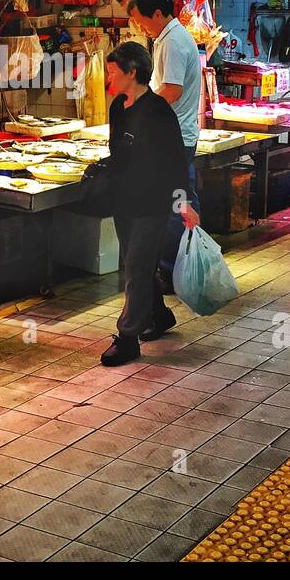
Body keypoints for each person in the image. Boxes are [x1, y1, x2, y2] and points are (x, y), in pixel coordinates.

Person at [101, 41, 197, 366]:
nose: (108, 77)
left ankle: (127, 338)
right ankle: (158, 314)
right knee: (134, 262)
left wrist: (183, 202)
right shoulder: (117, 107)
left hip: (152, 202)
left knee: (137, 266)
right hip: (124, 200)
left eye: (112, 71)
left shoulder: (158, 111)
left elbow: (174, 161)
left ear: (132, 72)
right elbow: (118, 154)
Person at [125, 0, 202, 291]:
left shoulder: (172, 42)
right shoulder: (172, 38)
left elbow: (171, 91)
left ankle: (170, 271)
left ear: (157, 14)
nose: (141, 28)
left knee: (175, 204)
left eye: (141, 21)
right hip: (179, 135)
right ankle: (186, 264)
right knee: (183, 201)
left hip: (174, 139)